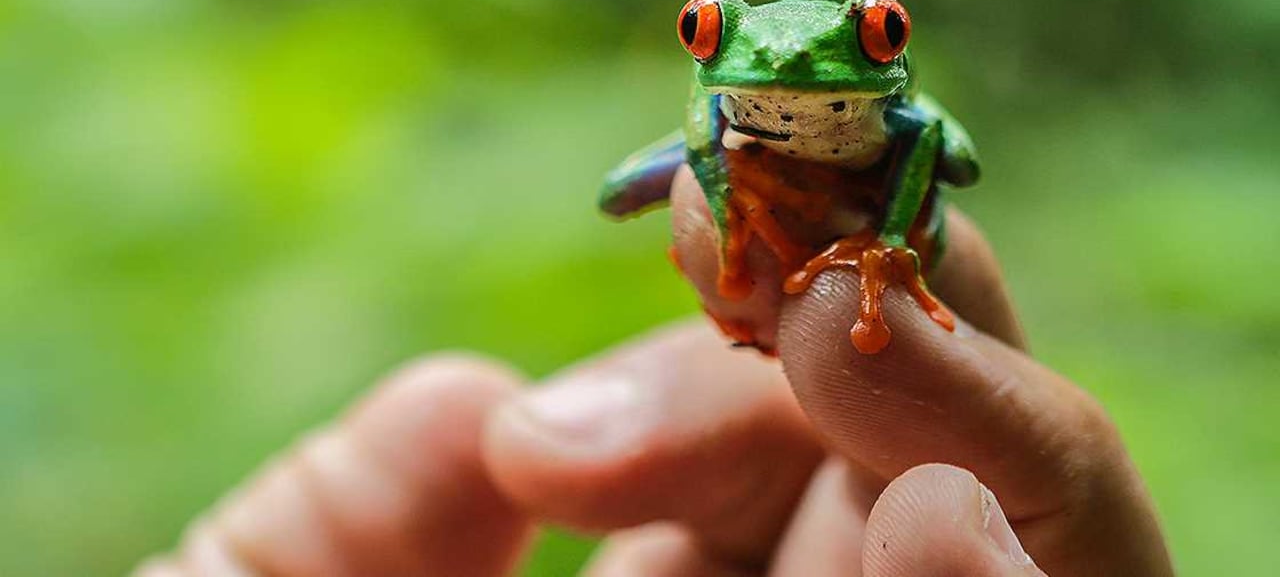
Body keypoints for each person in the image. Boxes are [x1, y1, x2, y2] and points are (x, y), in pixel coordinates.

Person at [135, 170, 1174, 576]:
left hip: (872, 216)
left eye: (880, 31)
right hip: (760, 192)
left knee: (886, 394)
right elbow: (698, 152)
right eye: (704, 32)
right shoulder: (723, 119)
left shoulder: (886, 118)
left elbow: (942, 155)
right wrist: (733, 197)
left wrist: (888, 241)